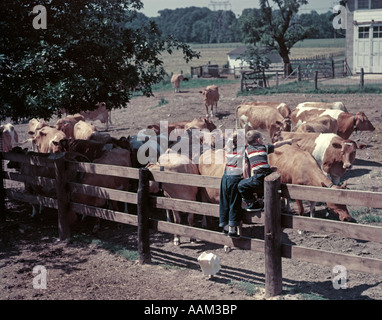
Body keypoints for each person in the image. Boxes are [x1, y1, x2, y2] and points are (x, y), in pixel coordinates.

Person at [238, 130, 293, 212]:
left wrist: (247, 178)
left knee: (241, 186)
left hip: (258, 176)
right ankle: (267, 201)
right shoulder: (264, 147)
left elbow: (246, 166)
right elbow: (276, 145)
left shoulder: (247, 150)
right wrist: (287, 141)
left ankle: (254, 204)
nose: (262, 140)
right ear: (258, 140)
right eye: (262, 138)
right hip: (268, 173)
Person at [219, 130, 245, 238]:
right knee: (234, 203)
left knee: (224, 202)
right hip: (235, 178)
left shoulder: (228, 150)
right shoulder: (242, 150)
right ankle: (232, 229)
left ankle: (224, 226)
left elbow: (229, 142)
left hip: (225, 178)